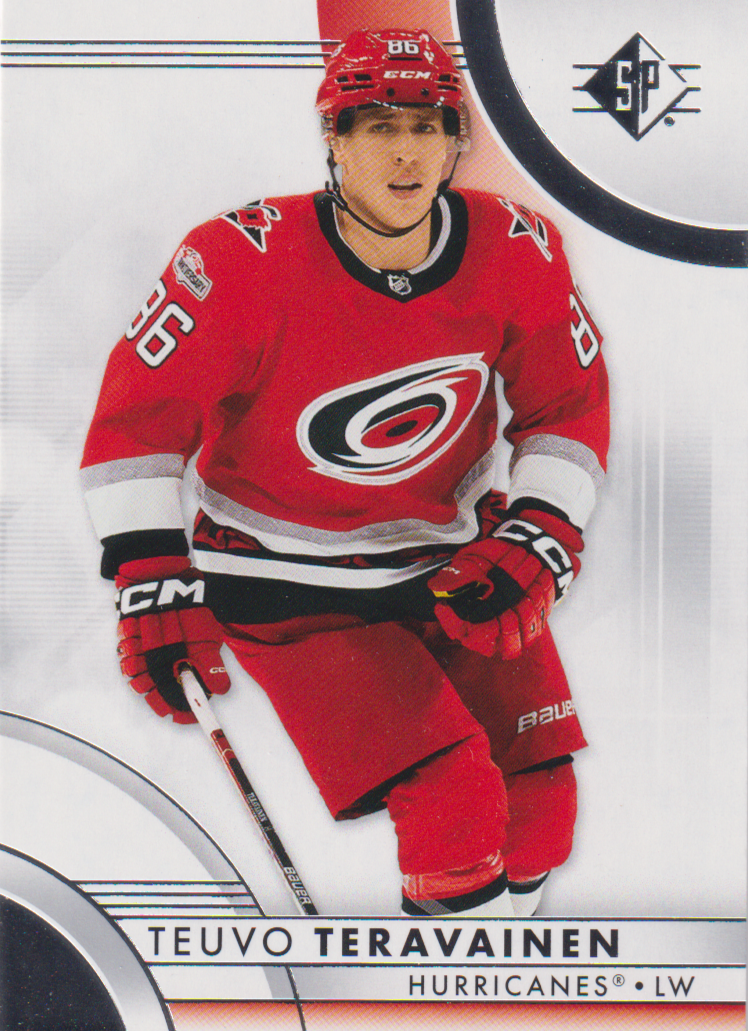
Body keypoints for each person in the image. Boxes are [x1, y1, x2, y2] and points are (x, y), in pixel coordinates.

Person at [81, 28, 609, 918]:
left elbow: (566, 406)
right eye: (378, 125)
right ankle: (444, 990)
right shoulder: (241, 259)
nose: (405, 152)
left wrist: (541, 528)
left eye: (427, 125)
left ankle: (500, 979)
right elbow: (137, 422)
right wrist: (151, 574)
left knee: (541, 811)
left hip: (453, 563)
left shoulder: (519, 247)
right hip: (286, 584)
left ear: (456, 140)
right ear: (334, 135)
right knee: (454, 805)